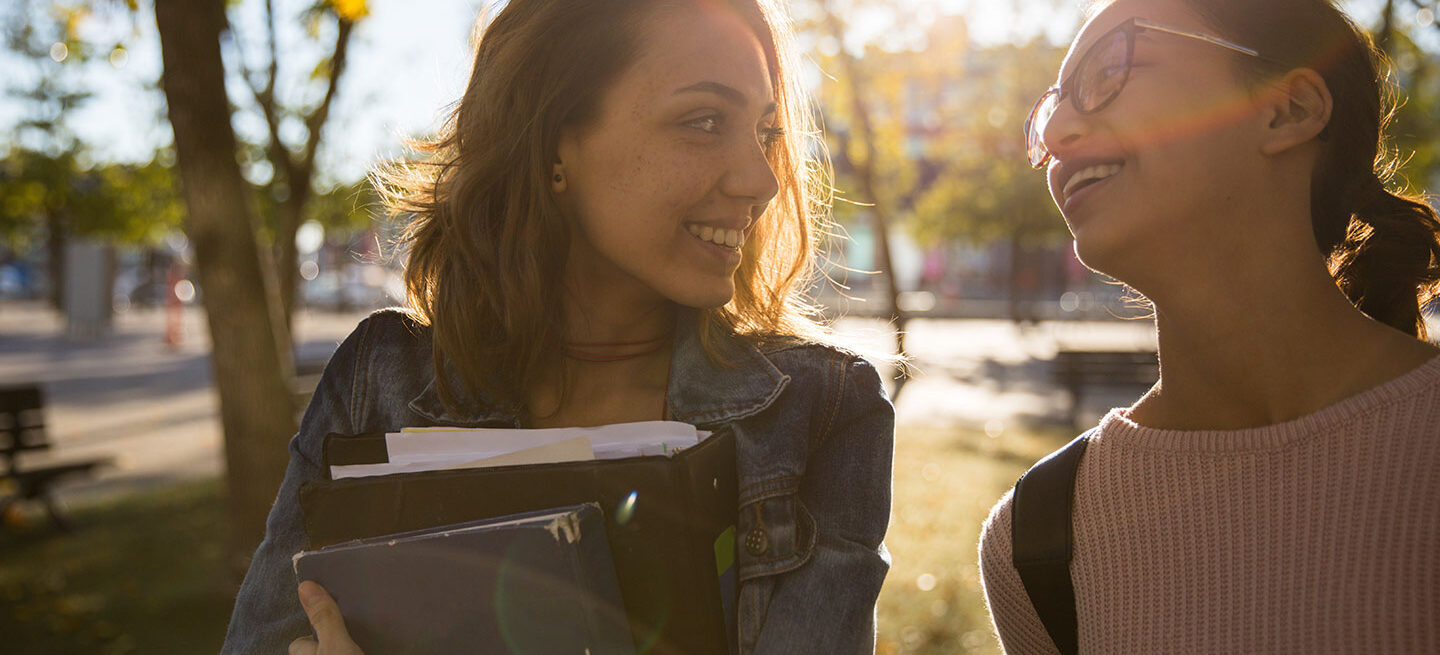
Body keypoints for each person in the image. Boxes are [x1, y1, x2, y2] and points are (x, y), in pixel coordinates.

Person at [218, 0, 895, 653]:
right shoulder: (377, 381)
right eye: (706, 121)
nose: (761, 179)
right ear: (553, 140)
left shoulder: (824, 414)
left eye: (766, 133)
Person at [979, 0, 1440, 652]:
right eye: (1050, 110)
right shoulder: (1040, 539)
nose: (1057, 138)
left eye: (1106, 71)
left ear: (1286, 111)